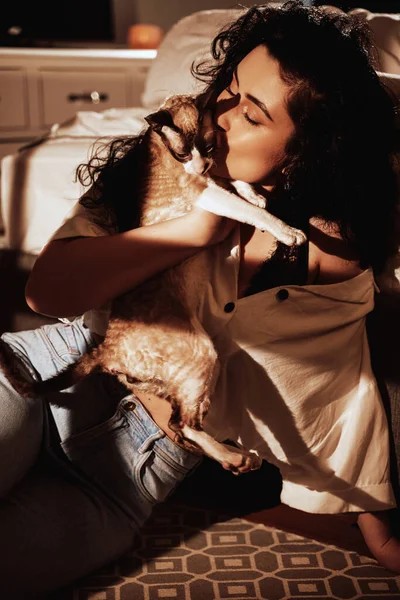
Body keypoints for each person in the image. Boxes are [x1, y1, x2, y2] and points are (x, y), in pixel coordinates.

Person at [0, 1, 399, 596]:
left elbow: (344, 387)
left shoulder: (333, 254)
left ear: (307, 149)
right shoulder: (167, 154)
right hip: (46, 373)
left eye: (254, 113)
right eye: (231, 89)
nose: (222, 113)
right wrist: (194, 231)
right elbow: (48, 289)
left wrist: (378, 525)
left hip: (123, 480)